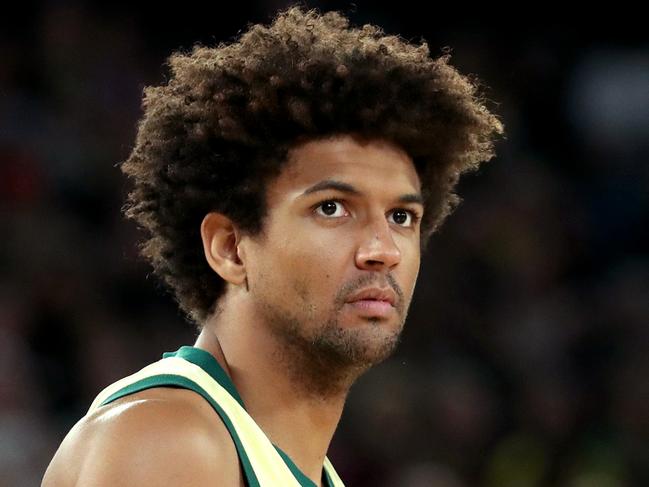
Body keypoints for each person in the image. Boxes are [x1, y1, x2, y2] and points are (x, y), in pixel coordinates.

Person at [42, 6, 503, 486]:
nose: (382, 249)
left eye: (401, 217)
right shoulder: (171, 443)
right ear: (230, 248)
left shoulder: (285, 464)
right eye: (332, 208)